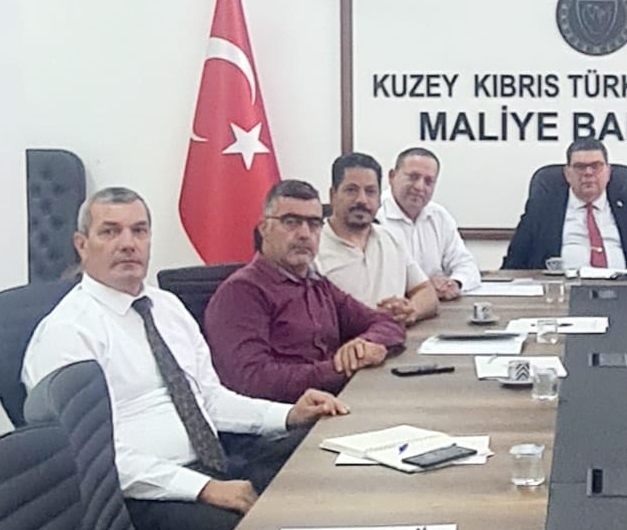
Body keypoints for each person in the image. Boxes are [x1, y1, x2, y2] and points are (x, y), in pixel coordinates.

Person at [21, 187, 349, 530]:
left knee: (320, 457)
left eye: (139, 231)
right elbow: (93, 456)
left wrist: (289, 414)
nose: (128, 243)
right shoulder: (66, 334)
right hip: (145, 497)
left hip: (214, 463)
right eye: (110, 232)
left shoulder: (166, 307)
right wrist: (202, 488)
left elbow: (209, 400)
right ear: (82, 245)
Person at [205, 179, 406, 403]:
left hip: (335, 404)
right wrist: (340, 368)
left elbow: (388, 324)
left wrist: (363, 346)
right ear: (264, 229)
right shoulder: (241, 292)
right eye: (291, 222)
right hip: (287, 418)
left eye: (314, 224)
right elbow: (252, 381)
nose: (304, 234)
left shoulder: (316, 283)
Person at [502, 138, 627, 270]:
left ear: (608, 171)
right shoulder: (540, 211)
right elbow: (513, 266)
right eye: (580, 167)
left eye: (596, 166)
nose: (588, 173)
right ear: (567, 173)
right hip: (560, 293)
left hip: (624, 291)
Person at [317, 152, 439, 324]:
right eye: (351, 190)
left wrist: (411, 310)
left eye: (370, 191)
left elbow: (426, 291)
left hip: (394, 338)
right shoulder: (313, 248)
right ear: (333, 195)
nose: (362, 200)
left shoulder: (390, 239)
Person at [378, 146, 481, 300]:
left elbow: (466, 265)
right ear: (392, 177)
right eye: (413, 177)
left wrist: (454, 283)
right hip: (389, 307)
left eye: (428, 181)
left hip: (437, 307)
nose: (419, 187)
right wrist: (424, 288)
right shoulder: (374, 216)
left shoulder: (439, 216)